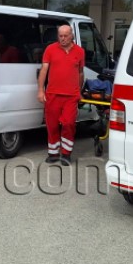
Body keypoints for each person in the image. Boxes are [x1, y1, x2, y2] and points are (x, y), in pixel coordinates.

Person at [37, 24, 85, 166]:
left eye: (66, 36)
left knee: (68, 124)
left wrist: (79, 91)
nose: (63, 38)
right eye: (60, 36)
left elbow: (80, 73)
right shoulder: (50, 49)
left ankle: (66, 154)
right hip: (52, 94)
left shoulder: (80, 51)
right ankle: (53, 153)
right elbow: (44, 70)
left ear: (72, 36)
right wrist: (40, 90)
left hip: (71, 96)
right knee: (51, 125)